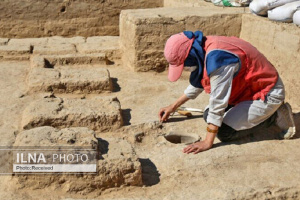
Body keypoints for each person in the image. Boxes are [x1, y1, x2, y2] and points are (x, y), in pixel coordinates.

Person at [158, 31, 296, 154]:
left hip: (266, 92)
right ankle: (262, 114)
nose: (185, 69)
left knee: (224, 132)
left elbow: (218, 101)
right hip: (245, 91)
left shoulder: (218, 59)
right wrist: (173, 106)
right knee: (208, 116)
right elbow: (200, 81)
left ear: (191, 55)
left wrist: (207, 142)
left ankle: (276, 115)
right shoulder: (204, 47)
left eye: (184, 65)